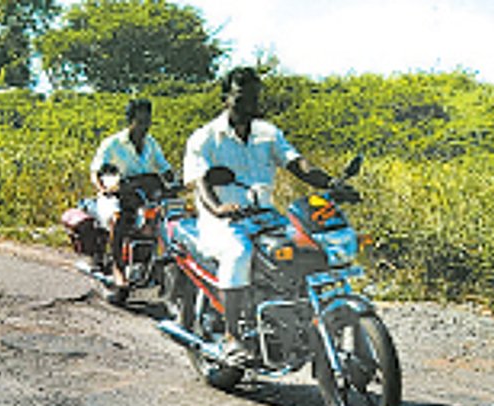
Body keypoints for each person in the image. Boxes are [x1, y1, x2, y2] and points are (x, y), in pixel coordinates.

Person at [183, 66, 338, 362]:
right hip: (222, 222)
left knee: (306, 248)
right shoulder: (205, 138)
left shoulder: (268, 134)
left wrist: (331, 184)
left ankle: (298, 318)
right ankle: (233, 336)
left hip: (265, 216)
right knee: (239, 253)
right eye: (241, 98)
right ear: (225, 98)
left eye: (254, 98)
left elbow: (297, 164)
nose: (249, 105)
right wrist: (218, 207)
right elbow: (201, 180)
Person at [90, 98, 176, 301]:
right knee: (119, 219)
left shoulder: (151, 144)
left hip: (143, 194)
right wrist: (104, 189)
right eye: (140, 122)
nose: (144, 127)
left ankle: (157, 266)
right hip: (116, 194)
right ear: (130, 121)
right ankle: (117, 268)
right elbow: (96, 171)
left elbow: (165, 169)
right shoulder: (113, 144)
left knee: (166, 219)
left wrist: (176, 183)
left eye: (147, 122)